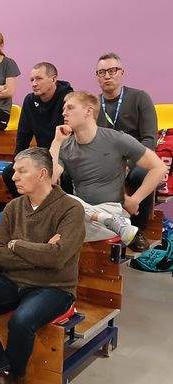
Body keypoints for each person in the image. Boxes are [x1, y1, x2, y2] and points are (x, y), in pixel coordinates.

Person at [0, 147, 85, 384]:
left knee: (21, 321)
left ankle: (12, 382)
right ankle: (5, 381)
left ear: (42, 174)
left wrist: (17, 244)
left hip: (55, 287)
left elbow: (58, 258)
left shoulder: (71, 209)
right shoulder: (13, 207)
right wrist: (42, 251)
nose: (14, 176)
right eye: (15, 171)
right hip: (13, 280)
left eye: (21, 171)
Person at [50, 91, 167, 244]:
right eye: (64, 109)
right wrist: (57, 142)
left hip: (111, 210)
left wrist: (135, 199)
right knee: (55, 202)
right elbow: (49, 181)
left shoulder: (116, 139)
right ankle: (105, 220)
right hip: (83, 214)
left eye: (70, 108)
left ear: (88, 111)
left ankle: (109, 221)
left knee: (62, 219)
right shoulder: (65, 145)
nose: (64, 113)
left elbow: (159, 167)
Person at [95, 52, 158, 252]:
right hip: (104, 159)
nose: (107, 76)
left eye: (112, 71)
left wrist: (128, 164)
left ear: (122, 73)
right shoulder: (93, 105)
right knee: (70, 173)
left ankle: (138, 230)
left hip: (137, 158)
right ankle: (87, 228)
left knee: (142, 174)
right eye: (101, 72)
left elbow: (149, 139)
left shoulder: (140, 98)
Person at [2, 62, 74, 197]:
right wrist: (17, 162)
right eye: (32, 80)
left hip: (65, 157)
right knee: (9, 172)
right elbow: (23, 136)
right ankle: (29, 206)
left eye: (39, 79)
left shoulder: (68, 99)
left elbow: (73, 137)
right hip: (42, 157)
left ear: (53, 79)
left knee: (66, 177)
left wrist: (58, 165)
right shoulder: (29, 101)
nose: (34, 83)